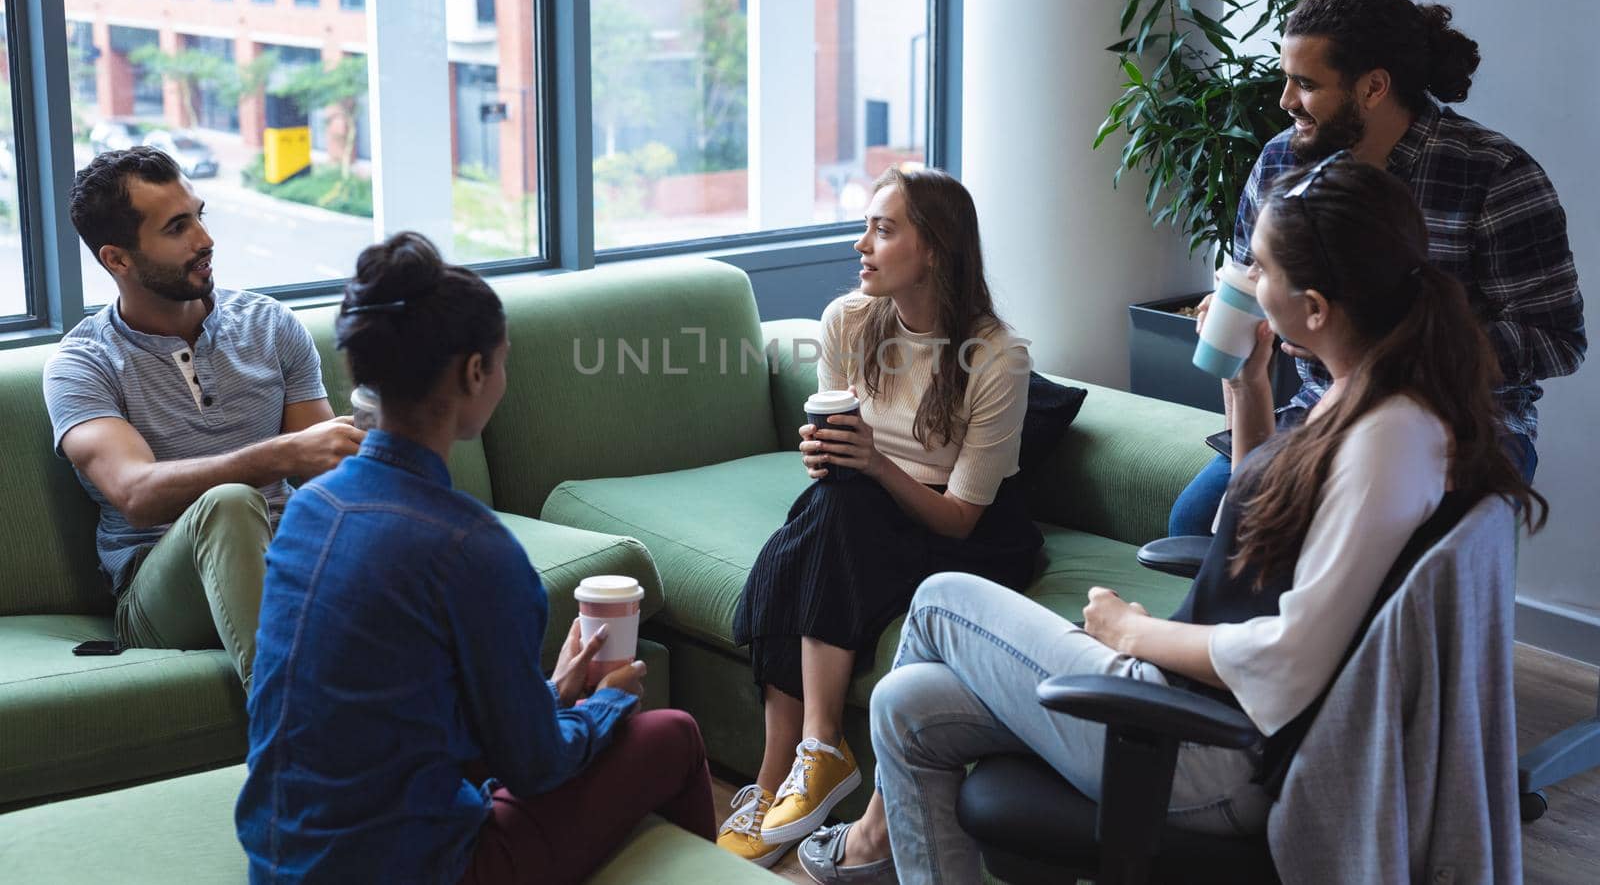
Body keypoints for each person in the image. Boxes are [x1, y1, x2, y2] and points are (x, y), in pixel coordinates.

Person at [824, 157, 1547, 883]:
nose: (1245, 282)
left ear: (1318, 306)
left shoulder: (1387, 439)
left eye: (1260, 268)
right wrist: (1249, 385)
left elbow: (1293, 658)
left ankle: (867, 845)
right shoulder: (1367, 393)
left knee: (942, 597)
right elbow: (1268, 525)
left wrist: (1133, 631)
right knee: (904, 701)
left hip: (1209, 754)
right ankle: (876, 847)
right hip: (1189, 702)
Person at [235, 232, 715, 884]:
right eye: (503, 361)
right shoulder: (473, 547)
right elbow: (535, 768)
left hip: (277, 864)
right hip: (426, 870)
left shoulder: (309, 509)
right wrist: (601, 703)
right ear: (473, 372)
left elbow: (395, 714)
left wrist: (551, 693)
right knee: (674, 735)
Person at [1168, 0, 1584, 537]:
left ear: (1373, 87)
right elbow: (1252, 280)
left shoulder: (1495, 175)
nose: (1285, 101)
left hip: (1465, 421)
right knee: (1196, 524)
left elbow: (1557, 340)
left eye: (1305, 84)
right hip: (1323, 404)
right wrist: (1239, 318)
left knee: (1387, 547)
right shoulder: (1280, 162)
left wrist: (1386, 347)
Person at [720, 165, 1042, 873]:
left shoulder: (998, 356)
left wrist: (870, 465)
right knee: (821, 515)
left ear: (933, 248)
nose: (861, 242)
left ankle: (811, 756)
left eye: (883, 227)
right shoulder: (847, 320)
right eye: (866, 224)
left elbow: (961, 517)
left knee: (823, 522)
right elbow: (839, 460)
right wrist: (828, 454)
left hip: (971, 533)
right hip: (862, 513)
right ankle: (786, 776)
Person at [42, 146, 361, 689]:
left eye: (199, 215)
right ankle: (292, 722)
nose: (205, 240)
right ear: (116, 259)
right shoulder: (82, 364)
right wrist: (278, 455)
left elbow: (326, 476)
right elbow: (136, 494)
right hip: (161, 595)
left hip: (289, 562)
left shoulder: (270, 325)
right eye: (176, 228)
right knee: (231, 502)